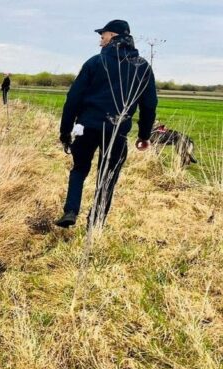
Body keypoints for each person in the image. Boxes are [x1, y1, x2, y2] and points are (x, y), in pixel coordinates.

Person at [55, 19, 157, 228]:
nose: (100, 42)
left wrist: (65, 131)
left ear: (112, 36)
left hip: (87, 126)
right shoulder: (143, 67)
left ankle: (71, 211)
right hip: (117, 131)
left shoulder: (95, 63)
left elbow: (73, 99)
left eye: (102, 37)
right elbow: (149, 104)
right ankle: (96, 222)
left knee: (79, 169)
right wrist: (144, 135)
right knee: (108, 176)